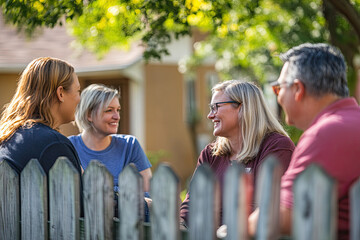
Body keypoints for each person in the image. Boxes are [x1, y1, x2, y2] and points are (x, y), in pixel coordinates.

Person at [249, 43, 360, 240]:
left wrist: (236, 227)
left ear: (298, 89)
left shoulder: (327, 133)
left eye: (278, 88)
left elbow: (278, 217)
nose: (278, 97)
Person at [180, 80, 295, 228]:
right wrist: (181, 223)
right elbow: (192, 204)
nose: (210, 115)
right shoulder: (210, 154)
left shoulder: (277, 147)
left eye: (216, 107)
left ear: (243, 107)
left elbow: (266, 210)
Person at [68, 84, 152, 218]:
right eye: (109, 110)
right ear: (89, 114)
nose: (117, 116)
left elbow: (149, 195)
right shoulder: (69, 146)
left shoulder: (130, 145)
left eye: (118, 110)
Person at [0, 57, 82, 176]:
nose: (79, 99)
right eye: (78, 91)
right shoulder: (54, 144)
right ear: (60, 93)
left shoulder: (11, 136)